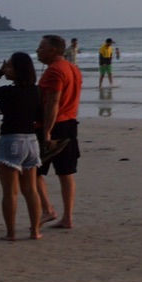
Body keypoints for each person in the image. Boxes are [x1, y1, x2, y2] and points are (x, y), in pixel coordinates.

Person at [0, 52, 44, 241]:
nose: (6, 69)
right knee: (31, 190)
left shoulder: (8, 91)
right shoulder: (36, 91)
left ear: (17, 70)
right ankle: (35, 231)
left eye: (8, 66)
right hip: (31, 141)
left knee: (10, 192)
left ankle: (11, 232)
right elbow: (39, 116)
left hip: (11, 140)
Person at [34, 34, 83, 230]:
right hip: (70, 123)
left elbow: (53, 103)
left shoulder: (55, 71)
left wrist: (46, 131)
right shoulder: (73, 69)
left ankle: (48, 209)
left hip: (55, 125)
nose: (38, 51)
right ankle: (67, 217)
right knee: (65, 172)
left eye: (41, 47)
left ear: (52, 50)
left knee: (33, 170)